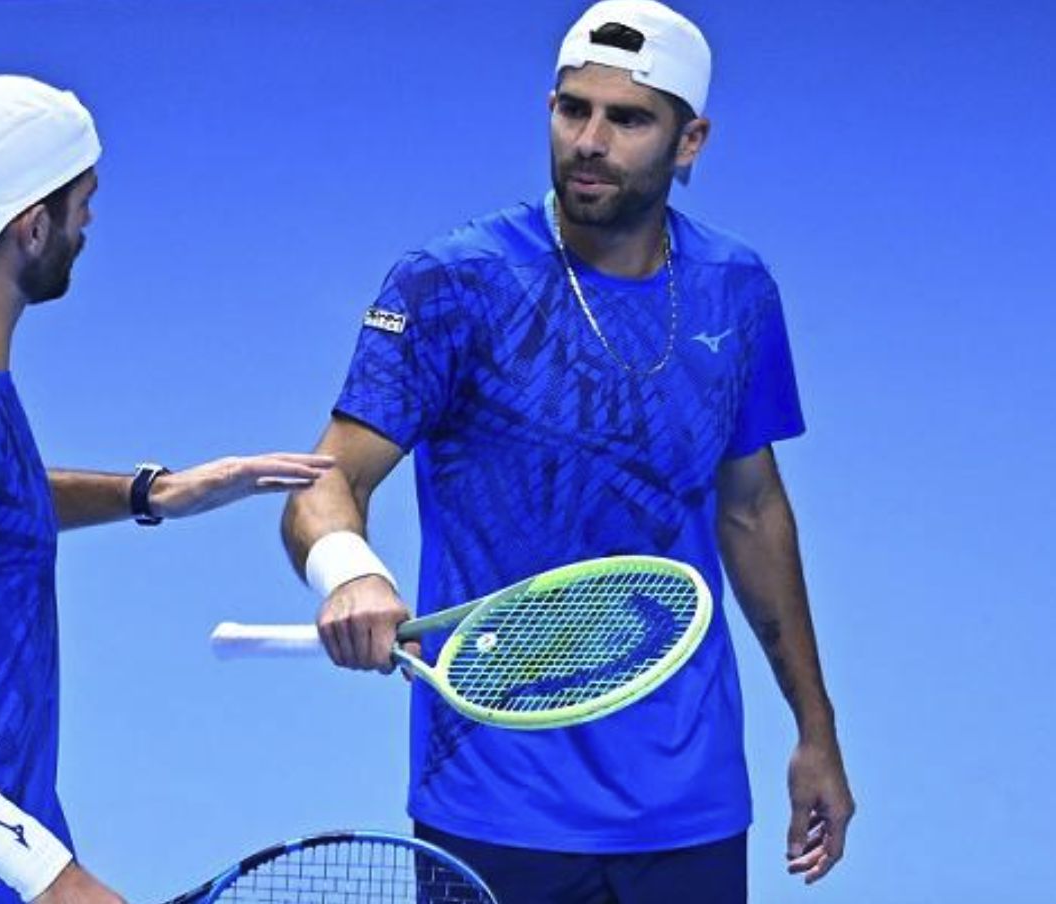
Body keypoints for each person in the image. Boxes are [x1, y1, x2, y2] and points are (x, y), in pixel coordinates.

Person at [280, 3, 853, 901]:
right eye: (571, 109)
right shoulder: (453, 283)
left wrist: (814, 729)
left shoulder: (735, 291)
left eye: (627, 120)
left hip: (689, 795)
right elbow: (326, 482)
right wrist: (348, 571)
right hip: (493, 796)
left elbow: (750, 508)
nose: (590, 141)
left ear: (690, 139)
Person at [0, 75, 333, 904]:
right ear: (31, 227)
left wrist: (149, 494)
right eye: (83, 201)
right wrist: (51, 874)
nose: (89, 222)